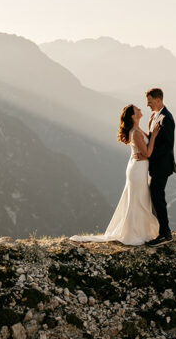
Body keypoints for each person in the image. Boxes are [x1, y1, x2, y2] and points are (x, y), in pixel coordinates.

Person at [69, 104, 161, 246]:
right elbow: (148, 153)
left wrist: (150, 127)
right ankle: (134, 232)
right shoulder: (135, 133)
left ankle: (139, 230)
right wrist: (154, 136)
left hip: (139, 167)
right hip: (138, 170)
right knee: (137, 200)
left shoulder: (137, 129)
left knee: (140, 200)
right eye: (137, 110)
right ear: (133, 116)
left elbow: (144, 146)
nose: (140, 110)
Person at [143, 87, 176, 245]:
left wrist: (149, 155)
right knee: (155, 196)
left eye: (150, 101)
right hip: (156, 165)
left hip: (162, 166)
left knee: (158, 198)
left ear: (158, 100)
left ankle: (165, 233)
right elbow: (153, 139)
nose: (147, 104)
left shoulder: (166, 118)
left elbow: (167, 145)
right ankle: (161, 230)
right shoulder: (156, 116)